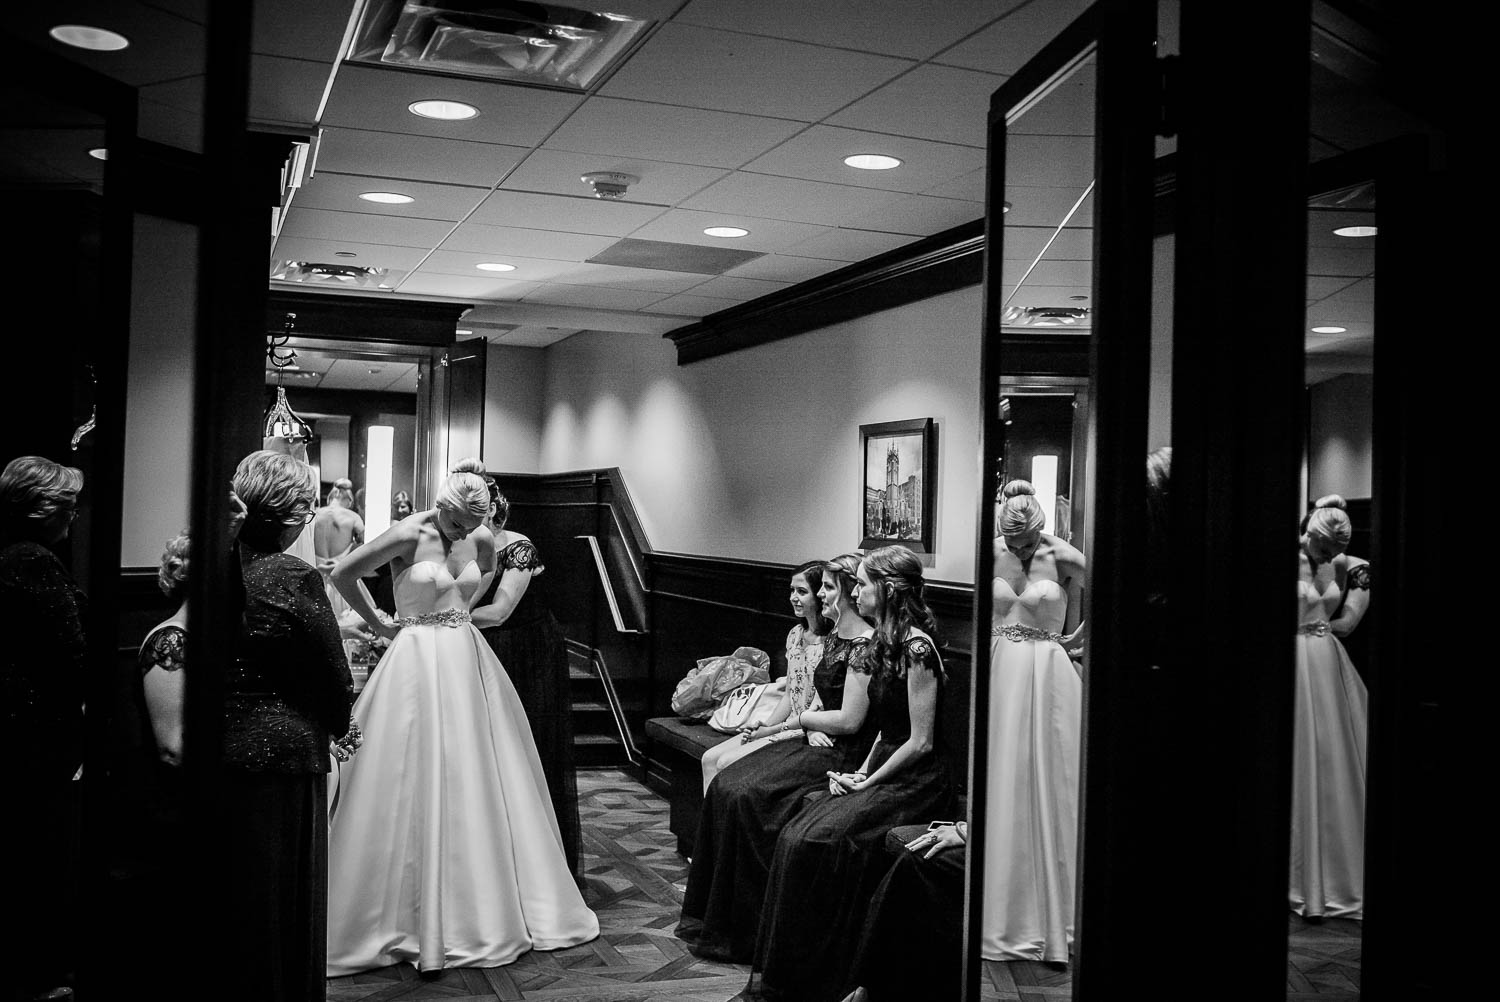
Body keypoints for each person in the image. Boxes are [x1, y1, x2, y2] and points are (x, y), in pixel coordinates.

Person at [325, 470, 598, 975]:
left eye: (470, 525)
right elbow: (342, 572)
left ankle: (487, 904)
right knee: (407, 766)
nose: (460, 534)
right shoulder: (410, 532)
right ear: (440, 506)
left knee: (480, 768)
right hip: (415, 655)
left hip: (466, 654)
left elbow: (487, 569)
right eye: (454, 523)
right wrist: (383, 620)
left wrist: (463, 607)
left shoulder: (479, 535)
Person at [745, 546, 953, 1002]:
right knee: (797, 832)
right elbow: (881, 727)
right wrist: (859, 771)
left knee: (824, 840)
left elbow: (921, 741)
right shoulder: (881, 642)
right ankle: (794, 977)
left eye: (861, 584)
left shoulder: (918, 647)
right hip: (882, 767)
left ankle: (840, 977)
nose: (854, 591)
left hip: (917, 780)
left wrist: (870, 781)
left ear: (889, 590)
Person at [678, 553, 876, 964]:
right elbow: (813, 695)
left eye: (828, 588)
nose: (821, 595)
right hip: (814, 733)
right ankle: (716, 907)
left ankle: (751, 925)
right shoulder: (836, 638)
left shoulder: (865, 646)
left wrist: (805, 722)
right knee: (727, 783)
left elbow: (853, 720)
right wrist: (797, 722)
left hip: (841, 748)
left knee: (751, 795)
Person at [221, 450, 354, 1002]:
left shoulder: (219, 561)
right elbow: (333, 672)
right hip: (284, 749)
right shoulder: (290, 573)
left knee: (238, 895)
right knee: (285, 896)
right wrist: (338, 723)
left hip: (220, 742)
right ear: (294, 513)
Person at [981, 479, 1087, 963]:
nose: (1019, 552)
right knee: (1004, 776)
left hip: (1049, 675)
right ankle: (1002, 899)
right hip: (1002, 672)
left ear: (1040, 532)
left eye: (1026, 544)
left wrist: (1078, 639)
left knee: (1053, 779)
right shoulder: (992, 553)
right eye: (1011, 543)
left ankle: (1058, 908)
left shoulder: (1065, 556)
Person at [463, 463, 585, 877]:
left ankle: (536, 860)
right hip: (480, 648)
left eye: (475, 506)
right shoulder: (460, 545)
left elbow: (498, 613)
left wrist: (437, 618)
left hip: (526, 651)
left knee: (523, 745)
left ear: (493, 508)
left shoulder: (518, 547)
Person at [0, 455, 86, 1002]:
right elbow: (70, 651)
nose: (75, 518)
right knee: (38, 851)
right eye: (70, 507)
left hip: (19, 728)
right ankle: (37, 973)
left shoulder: (10, 557)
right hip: (34, 732)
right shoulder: (33, 561)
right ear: (45, 510)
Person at [1290, 494, 1370, 920]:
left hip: (1326, 659)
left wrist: (1327, 626)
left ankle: (1338, 864)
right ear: (1310, 534)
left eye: (1336, 553)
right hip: (1294, 661)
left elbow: (1348, 617)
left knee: (1333, 758)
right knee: (1300, 755)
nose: (1329, 558)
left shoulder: (1341, 564)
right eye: (1324, 550)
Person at [699, 561, 833, 793]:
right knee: (709, 759)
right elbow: (789, 695)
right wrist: (764, 725)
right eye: (792, 590)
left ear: (820, 595)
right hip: (784, 723)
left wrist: (772, 731)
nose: (793, 597)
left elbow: (820, 706)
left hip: (804, 728)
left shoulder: (832, 642)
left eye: (802, 592)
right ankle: (714, 828)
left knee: (726, 762)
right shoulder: (796, 634)